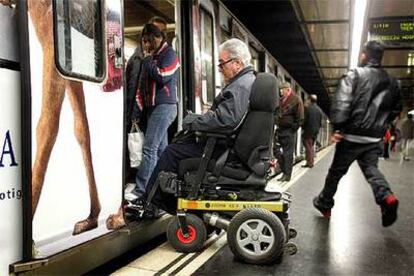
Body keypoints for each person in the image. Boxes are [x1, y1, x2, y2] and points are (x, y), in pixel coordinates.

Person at [130, 38, 255, 213]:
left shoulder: (240, 85)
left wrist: (193, 122)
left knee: (172, 152)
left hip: (225, 151)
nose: (220, 69)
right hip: (231, 146)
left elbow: (226, 121)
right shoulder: (246, 81)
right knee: (179, 146)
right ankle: (164, 201)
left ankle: (151, 202)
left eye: (222, 64)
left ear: (237, 63)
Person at [313, 40, 403, 227]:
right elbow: (396, 110)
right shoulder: (393, 82)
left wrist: (338, 128)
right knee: (371, 170)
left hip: (351, 136)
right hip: (374, 137)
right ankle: (386, 197)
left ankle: (325, 203)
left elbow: (342, 102)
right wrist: (382, 125)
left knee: (336, 172)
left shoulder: (355, 75)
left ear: (364, 54)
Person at [126, 23, 179, 203]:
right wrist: (136, 112)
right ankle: (160, 188)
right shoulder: (152, 56)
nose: (146, 46)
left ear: (158, 38)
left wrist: (148, 60)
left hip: (165, 106)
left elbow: (163, 76)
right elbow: (142, 86)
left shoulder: (170, 54)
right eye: (144, 42)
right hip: (152, 108)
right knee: (161, 150)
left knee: (149, 148)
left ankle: (142, 190)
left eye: (149, 41)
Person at [273, 82, 304, 182]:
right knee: (276, 150)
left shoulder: (296, 100)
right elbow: (277, 112)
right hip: (280, 130)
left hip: (289, 131)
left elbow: (300, 118)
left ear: (288, 90)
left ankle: (287, 175)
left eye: (282, 90)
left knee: (287, 154)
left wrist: (292, 130)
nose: (281, 91)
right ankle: (284, 171)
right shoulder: (281, 100)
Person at [302, 94, 323, 168]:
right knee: (310, 146)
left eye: (307, 100)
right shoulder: (320, 110)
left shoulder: (308, 109)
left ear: (310, 100)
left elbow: (305, 120)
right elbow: (320, 123)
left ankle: (310, 162)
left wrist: (302, 127)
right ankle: (309, 162)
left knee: (308, 147)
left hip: (308, 131)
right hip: (315, 132)